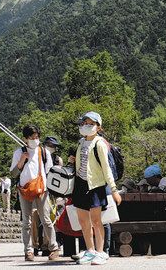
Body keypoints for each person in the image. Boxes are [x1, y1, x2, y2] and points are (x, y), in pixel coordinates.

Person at [71, 112, 122, 265]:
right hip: (80, 184)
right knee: (83, 220)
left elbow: (106, 168)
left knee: (96, 220)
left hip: (95, 186)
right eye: (85, 122)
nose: (87, 126)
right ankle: (90, 250)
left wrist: (113, 189)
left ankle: (100, 252)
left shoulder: (100, 143)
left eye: (91, 123)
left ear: (98, 127)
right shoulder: (81, 142)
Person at [9, 124, 60, 262]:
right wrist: (21, 160)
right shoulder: (19, 152)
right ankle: (28, 251)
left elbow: (49, 171)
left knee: (46, 219)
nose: (35, 140)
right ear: (25, 139)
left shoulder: (44, 152)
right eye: (32, 137)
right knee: (27, 221)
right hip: (24, 189)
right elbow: (13, 173)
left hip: (41, 189)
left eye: (37, 137)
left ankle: (54, 248)